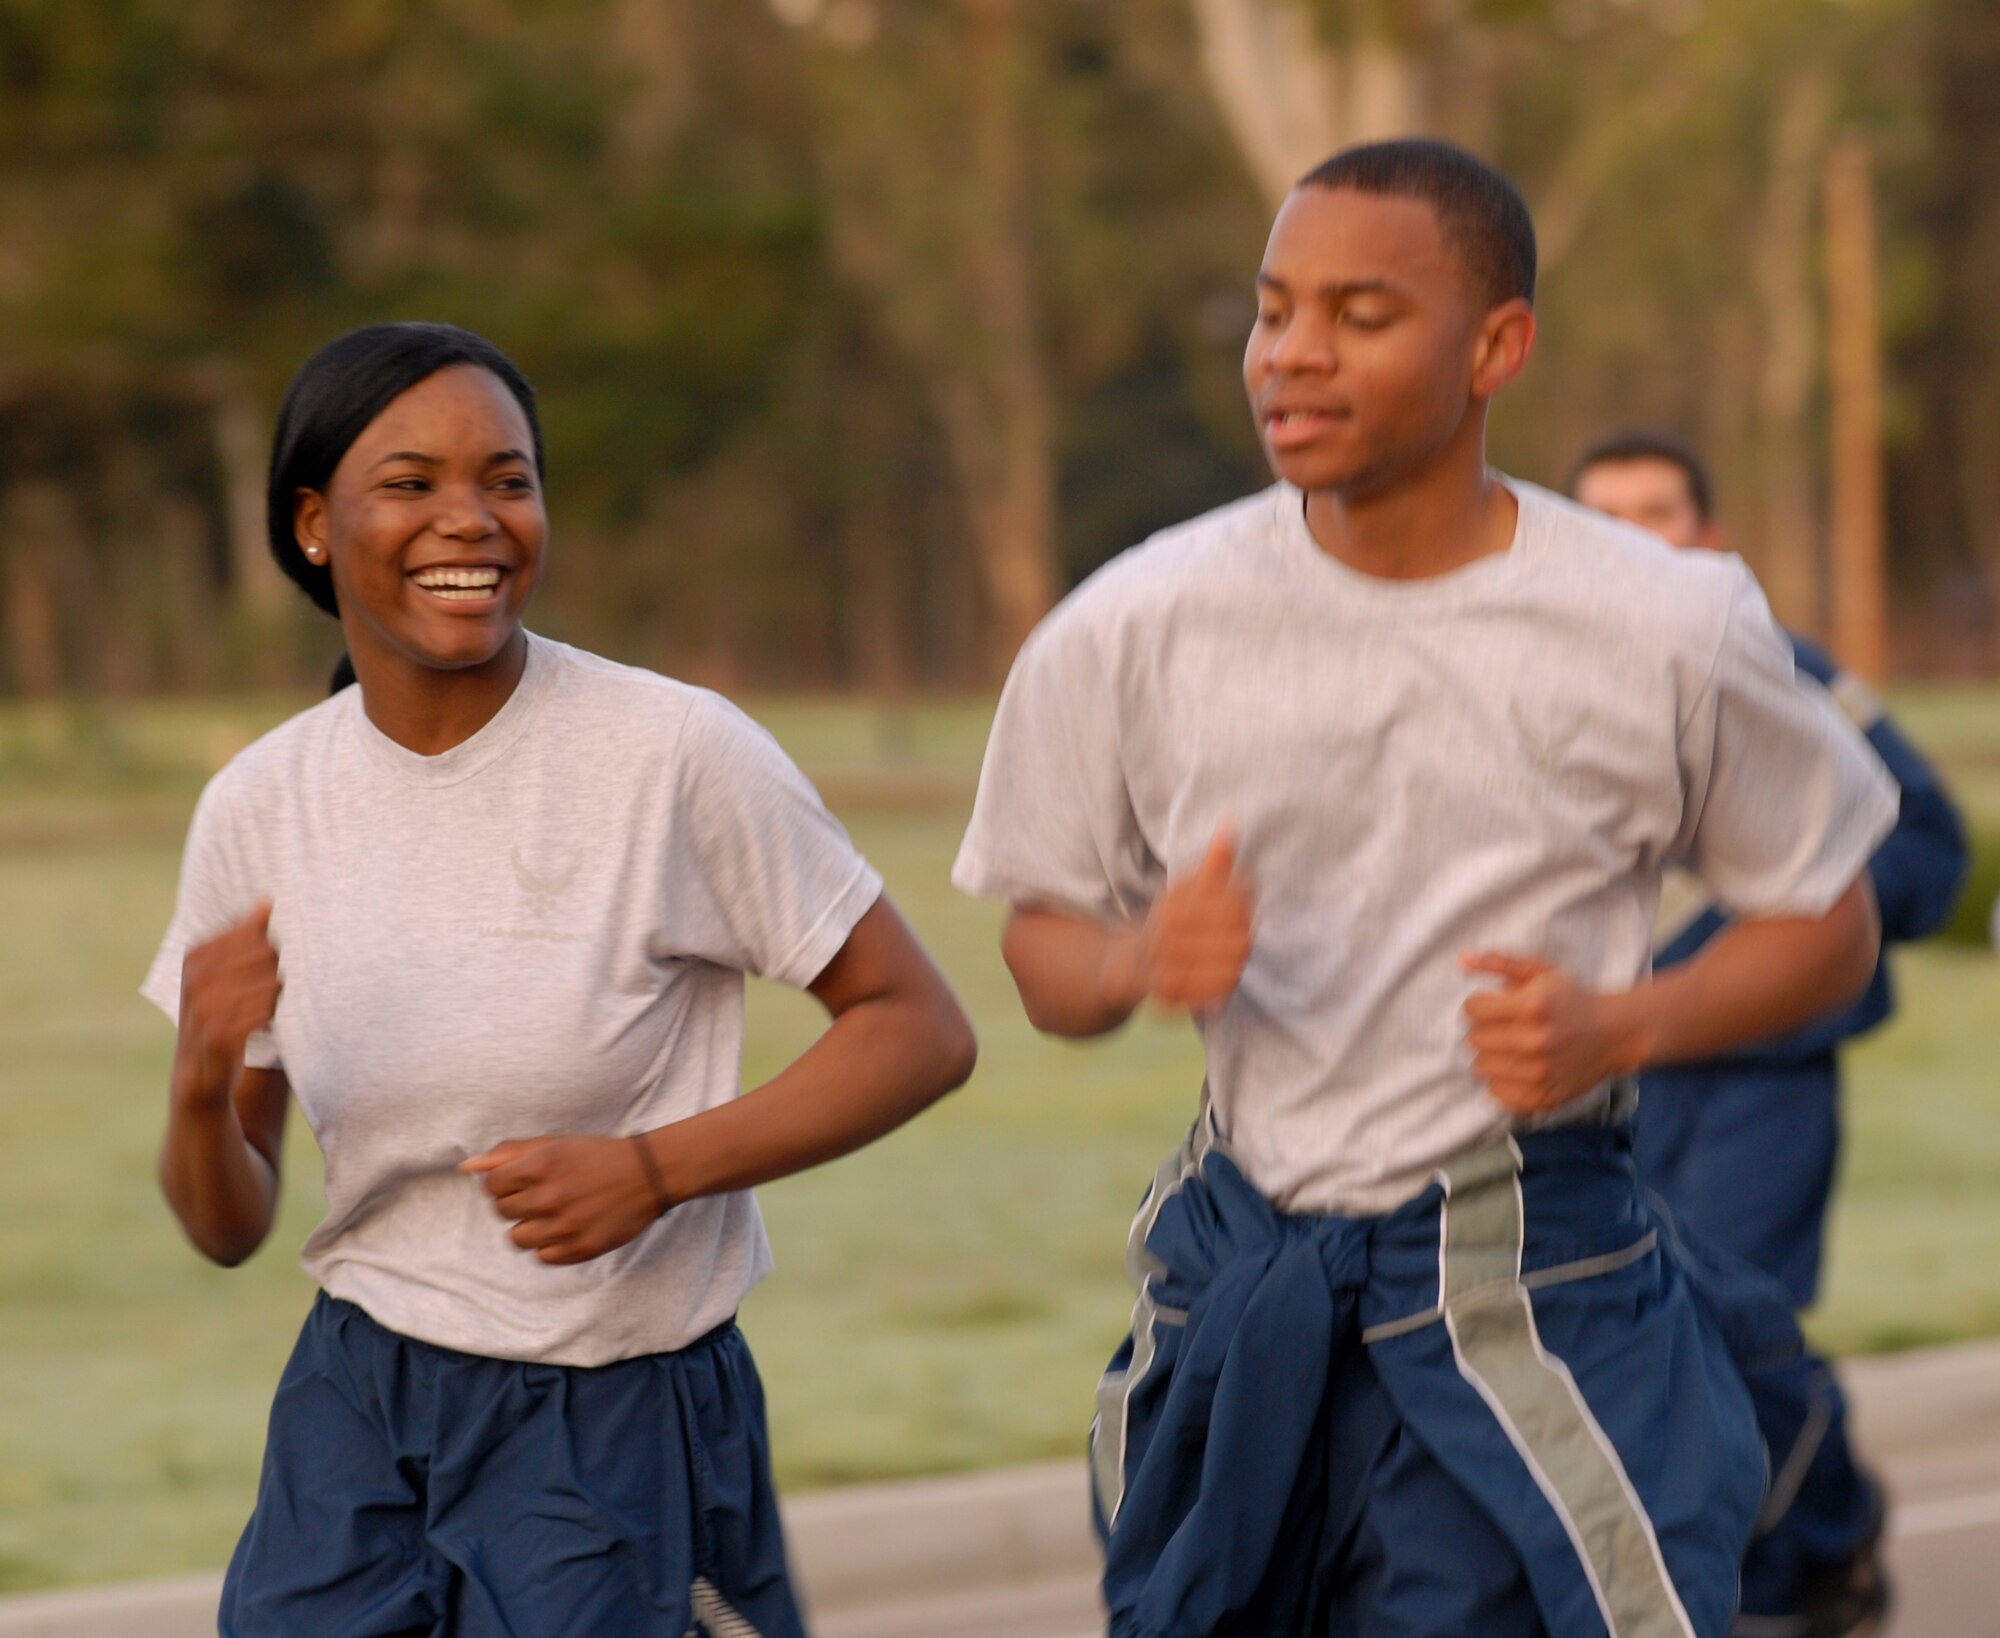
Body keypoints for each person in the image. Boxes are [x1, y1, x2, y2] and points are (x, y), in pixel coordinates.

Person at [952, 139, 1899, 1638]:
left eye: (1360, 314)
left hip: (1542, 1274)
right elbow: (1042, 950)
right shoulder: (1131, 622)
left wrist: (1624, 1024)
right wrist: (1140, 960)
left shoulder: (1666, 622)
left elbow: (1827, 925)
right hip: (1247, 1291)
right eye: (1272, 311)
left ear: (1496, 347)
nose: (1294, 355)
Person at [146, 321, 977, 1638]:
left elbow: (920, 1027)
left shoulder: (673, 754)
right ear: (314, 524)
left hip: (615, 1421)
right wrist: (200, 1082)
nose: (470, 519)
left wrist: (657, 1169)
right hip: (355, 1408)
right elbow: (230, 1221)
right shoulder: (261, 806)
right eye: (412, 482)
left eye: (509, 478)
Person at [1572, 430, 1968, 1637]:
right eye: (1606, 519)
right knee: (1628, 1337)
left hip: (1759, 1077)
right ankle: (1791, 1543)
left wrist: (1781, 927)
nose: (1636, 539)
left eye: (1661, 513)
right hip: (1597, 1092)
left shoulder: (1779, 675)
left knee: (1729, 1322)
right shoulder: (1527, 689)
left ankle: (1792, 1561)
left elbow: (1927, 851)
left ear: (1707, 537)